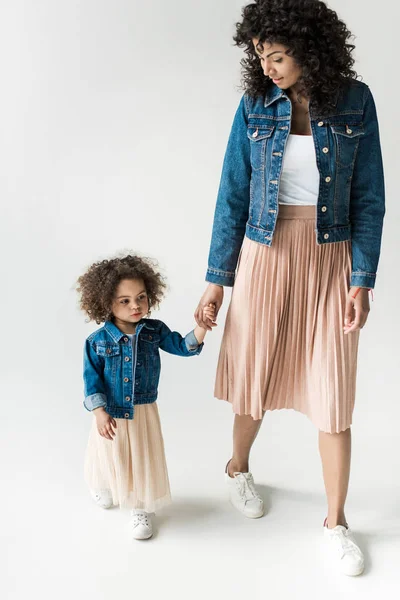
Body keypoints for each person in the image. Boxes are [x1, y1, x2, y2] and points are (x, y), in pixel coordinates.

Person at [195, 0, 385, 576]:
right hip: (265, 251)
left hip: (330, 257)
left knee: (333, 389)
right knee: (254, 372)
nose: (269, 67)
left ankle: (336, 522)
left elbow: (370, 198)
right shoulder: (255, 106)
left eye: (277, 55)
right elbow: (232, 194)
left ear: (310, 47)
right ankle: (238, 468)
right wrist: (215, 282)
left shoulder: (356, 100)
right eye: (261, 56)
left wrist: (362, 278)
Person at [77, 254, 215, 540]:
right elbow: (92, 382)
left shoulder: (154, 332)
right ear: (106, 303)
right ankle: (104, 484)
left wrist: (202, 326)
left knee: (141, 456)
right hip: (110, 413)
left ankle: (140, 506)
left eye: (140, 297)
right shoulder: (97, 342)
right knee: (109, 453)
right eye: (124, 300)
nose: (136, 305)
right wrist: (99, 412)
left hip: (143, 410)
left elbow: (183, 346)